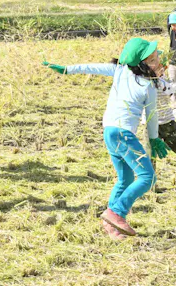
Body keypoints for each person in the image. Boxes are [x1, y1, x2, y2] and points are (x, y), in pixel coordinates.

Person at [42, 37, 169, 239]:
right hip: (124, 135)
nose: (158, 61)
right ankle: (116, 212)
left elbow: (92, 68)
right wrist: (154, 139)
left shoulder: (120, 71)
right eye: (153, 59)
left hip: (109, 132)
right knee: (147, 177)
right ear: (142, 65)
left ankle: (111, 226)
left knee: (126, 178)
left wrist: (68, 69)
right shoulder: (147, 86)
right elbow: (151, 116)